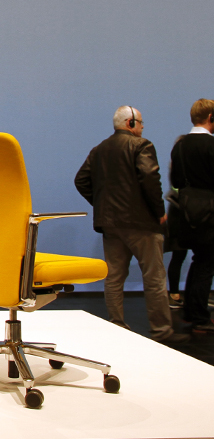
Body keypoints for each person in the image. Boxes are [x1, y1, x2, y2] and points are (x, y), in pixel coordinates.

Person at [75, 106, 188, 343]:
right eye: (141, 122)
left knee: (114, 277)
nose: (143, 127)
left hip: (110, 224)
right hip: (141, 223)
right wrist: (159, 211)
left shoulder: (99, 150)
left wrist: (101, 204)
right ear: (131, 123)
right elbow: (150, 177)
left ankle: (117, 325)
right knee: (154, 277)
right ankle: (161, 331)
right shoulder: (142, 145)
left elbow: (81, 180)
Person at [169, 99, 214, 333]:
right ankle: (199, 317)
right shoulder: (211, 145)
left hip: (186, 211)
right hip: (209, 212)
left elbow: (176, 181)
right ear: (211, 118)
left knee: (198, 261)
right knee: (206, 264)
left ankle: (191, 311)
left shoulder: (180, 146)